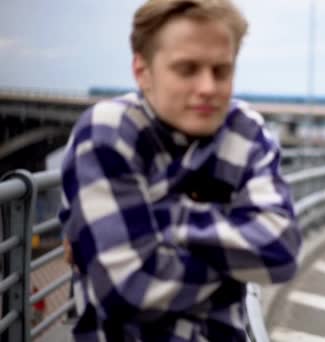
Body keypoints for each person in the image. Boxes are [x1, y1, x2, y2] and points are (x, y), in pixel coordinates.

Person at [58, 0, 301, 340]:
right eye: (187, 69)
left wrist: (159, 221)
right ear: (142, 71)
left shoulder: (246, 131)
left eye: (222, 70)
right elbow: (128, 290)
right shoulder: (106, 130)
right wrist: (234, 254)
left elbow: (281, 250)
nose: (208, 88)